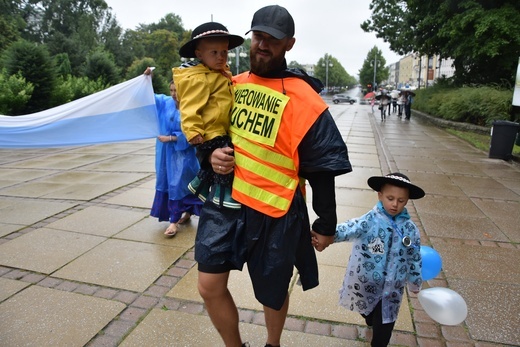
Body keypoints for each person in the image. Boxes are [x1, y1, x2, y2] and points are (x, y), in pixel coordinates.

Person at [195, 5, 352, 347]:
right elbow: (206, 134)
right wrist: (210, 155)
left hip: (275, 212)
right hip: (226, 205)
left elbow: (323, 166)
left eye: (272, 40)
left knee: (273, 293)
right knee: (208, 286)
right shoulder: (230, 86)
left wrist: (326, 223)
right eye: (258, 37)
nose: (262, 45)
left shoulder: (304, 99)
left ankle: (272, 344)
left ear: (289, 44)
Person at [328, 172, 425, 347]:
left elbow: (414, 256)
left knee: (384, 328)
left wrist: (415, 281)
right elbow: (350, 227)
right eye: (390, 198)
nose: (395, 204)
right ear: (380, 195)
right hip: (368, 284)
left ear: (407, 200)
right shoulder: (371, 220)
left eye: (401, 200)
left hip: (392, 290)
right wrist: (326, 233)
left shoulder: (410, 229)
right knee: (368, 312)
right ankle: (369, 317)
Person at [173, 22, 244, 209]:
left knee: (219, 162)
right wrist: (193, 131)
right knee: (226, 159)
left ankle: (198, 185)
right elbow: (189, 107)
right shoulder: (199, 79)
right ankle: (223, 194)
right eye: (214, 52)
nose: (221, 57)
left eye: (224, 52)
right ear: (199, 54)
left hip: (220, 128)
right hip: (211, 130)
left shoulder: (220, 75)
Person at [146, 68, 203, 236]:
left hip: (184, 157)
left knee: (180, 186)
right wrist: (148, 79)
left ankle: (176, 220)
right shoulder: (165, 102)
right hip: (166, 156)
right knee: (169, 184)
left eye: (176, 91)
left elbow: (195, 133)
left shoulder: (191, 108)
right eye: (171, 90)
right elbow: (149, 98)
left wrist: (172, 139)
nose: (173, 94)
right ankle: (178, 217)